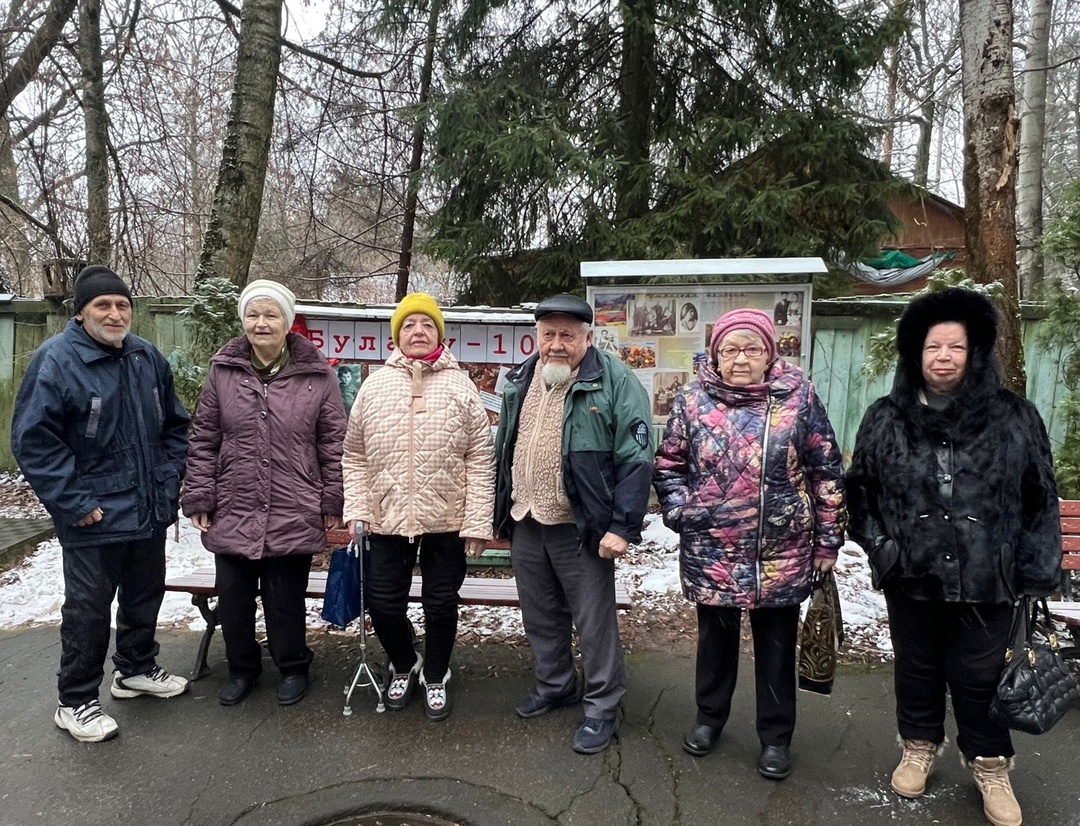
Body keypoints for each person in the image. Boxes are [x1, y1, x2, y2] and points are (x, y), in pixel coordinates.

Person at [846, 288, 1061, 826]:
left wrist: (1036, 569)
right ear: (916, 354)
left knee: (979, 675)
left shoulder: (1014, 417)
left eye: (955, 347)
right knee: (917, 667)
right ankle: (918, 746)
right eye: (932, 347)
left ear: (975, 353)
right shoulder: (885, 418)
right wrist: (882, 548)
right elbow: (860, 492)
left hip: (990, 577)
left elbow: (1040, 496)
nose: (943, 357)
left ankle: (990, 764)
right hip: (911, 574)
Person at [653, 308, 846, 780]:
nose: (741, 359)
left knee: (776, 647)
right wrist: (681, 512)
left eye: (752, 349)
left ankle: (776, 737)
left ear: (769, 354)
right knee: (714, 643)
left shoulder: (799, 398)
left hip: (780, 549)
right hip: (712, 548)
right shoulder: (692, 400)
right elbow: (669, 465)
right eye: (730, 350)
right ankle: (709, 718)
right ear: (716, 355)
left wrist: (828, 540)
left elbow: (826, 471)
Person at [10, 265, 191, 743]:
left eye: (122, 305)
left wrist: (168, 479)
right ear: (81, 312)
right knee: (88, 610)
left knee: (144, 594)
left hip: (147, 506)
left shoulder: (146, 356)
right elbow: (34, 442)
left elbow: (176, 428)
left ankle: (135, 669)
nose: (115, 314)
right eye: (102, 305)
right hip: (92, 514)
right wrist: (73, 501)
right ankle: (75, 701)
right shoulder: (57, 361)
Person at [494, 294, 653, 754]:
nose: (557, 344)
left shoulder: (616, 381)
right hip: (527, 518)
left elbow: (636, 458)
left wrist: (622, 526)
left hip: (581, 525)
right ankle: (556, 684)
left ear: (588, 337)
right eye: (549, 334)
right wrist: (499, 511)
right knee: (540, 614)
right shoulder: (524, 377)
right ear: (537, 337)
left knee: (593, 621)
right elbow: (505, 447)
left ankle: (602, 706)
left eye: (567, 335)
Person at [182, 279, 346, 708]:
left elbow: (333, 441)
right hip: (233, 504)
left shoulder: (317, 375)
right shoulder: (224, 371)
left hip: (294, 503)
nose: (261, 323)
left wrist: (332, 498)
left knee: (284, 599)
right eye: (253, 314)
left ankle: (293, 667)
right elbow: (204, 438)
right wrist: (199, 494)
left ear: (287, 323)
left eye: (271, 314)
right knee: (234, 598)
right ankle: (242, 669)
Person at [342, 293, 494, 721]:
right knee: (383, 603)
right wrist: (357, 508)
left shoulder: (461, 386)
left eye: (427, 324)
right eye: (409, 325)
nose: (418, 331)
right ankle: (405, 662)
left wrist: (477, 522)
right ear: (397, 336)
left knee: (440, 604)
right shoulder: (374, 386)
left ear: (440, 334)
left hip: (447, 518)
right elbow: (354, 455)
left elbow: (481, 458)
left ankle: (436, 673)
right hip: (387, 517)